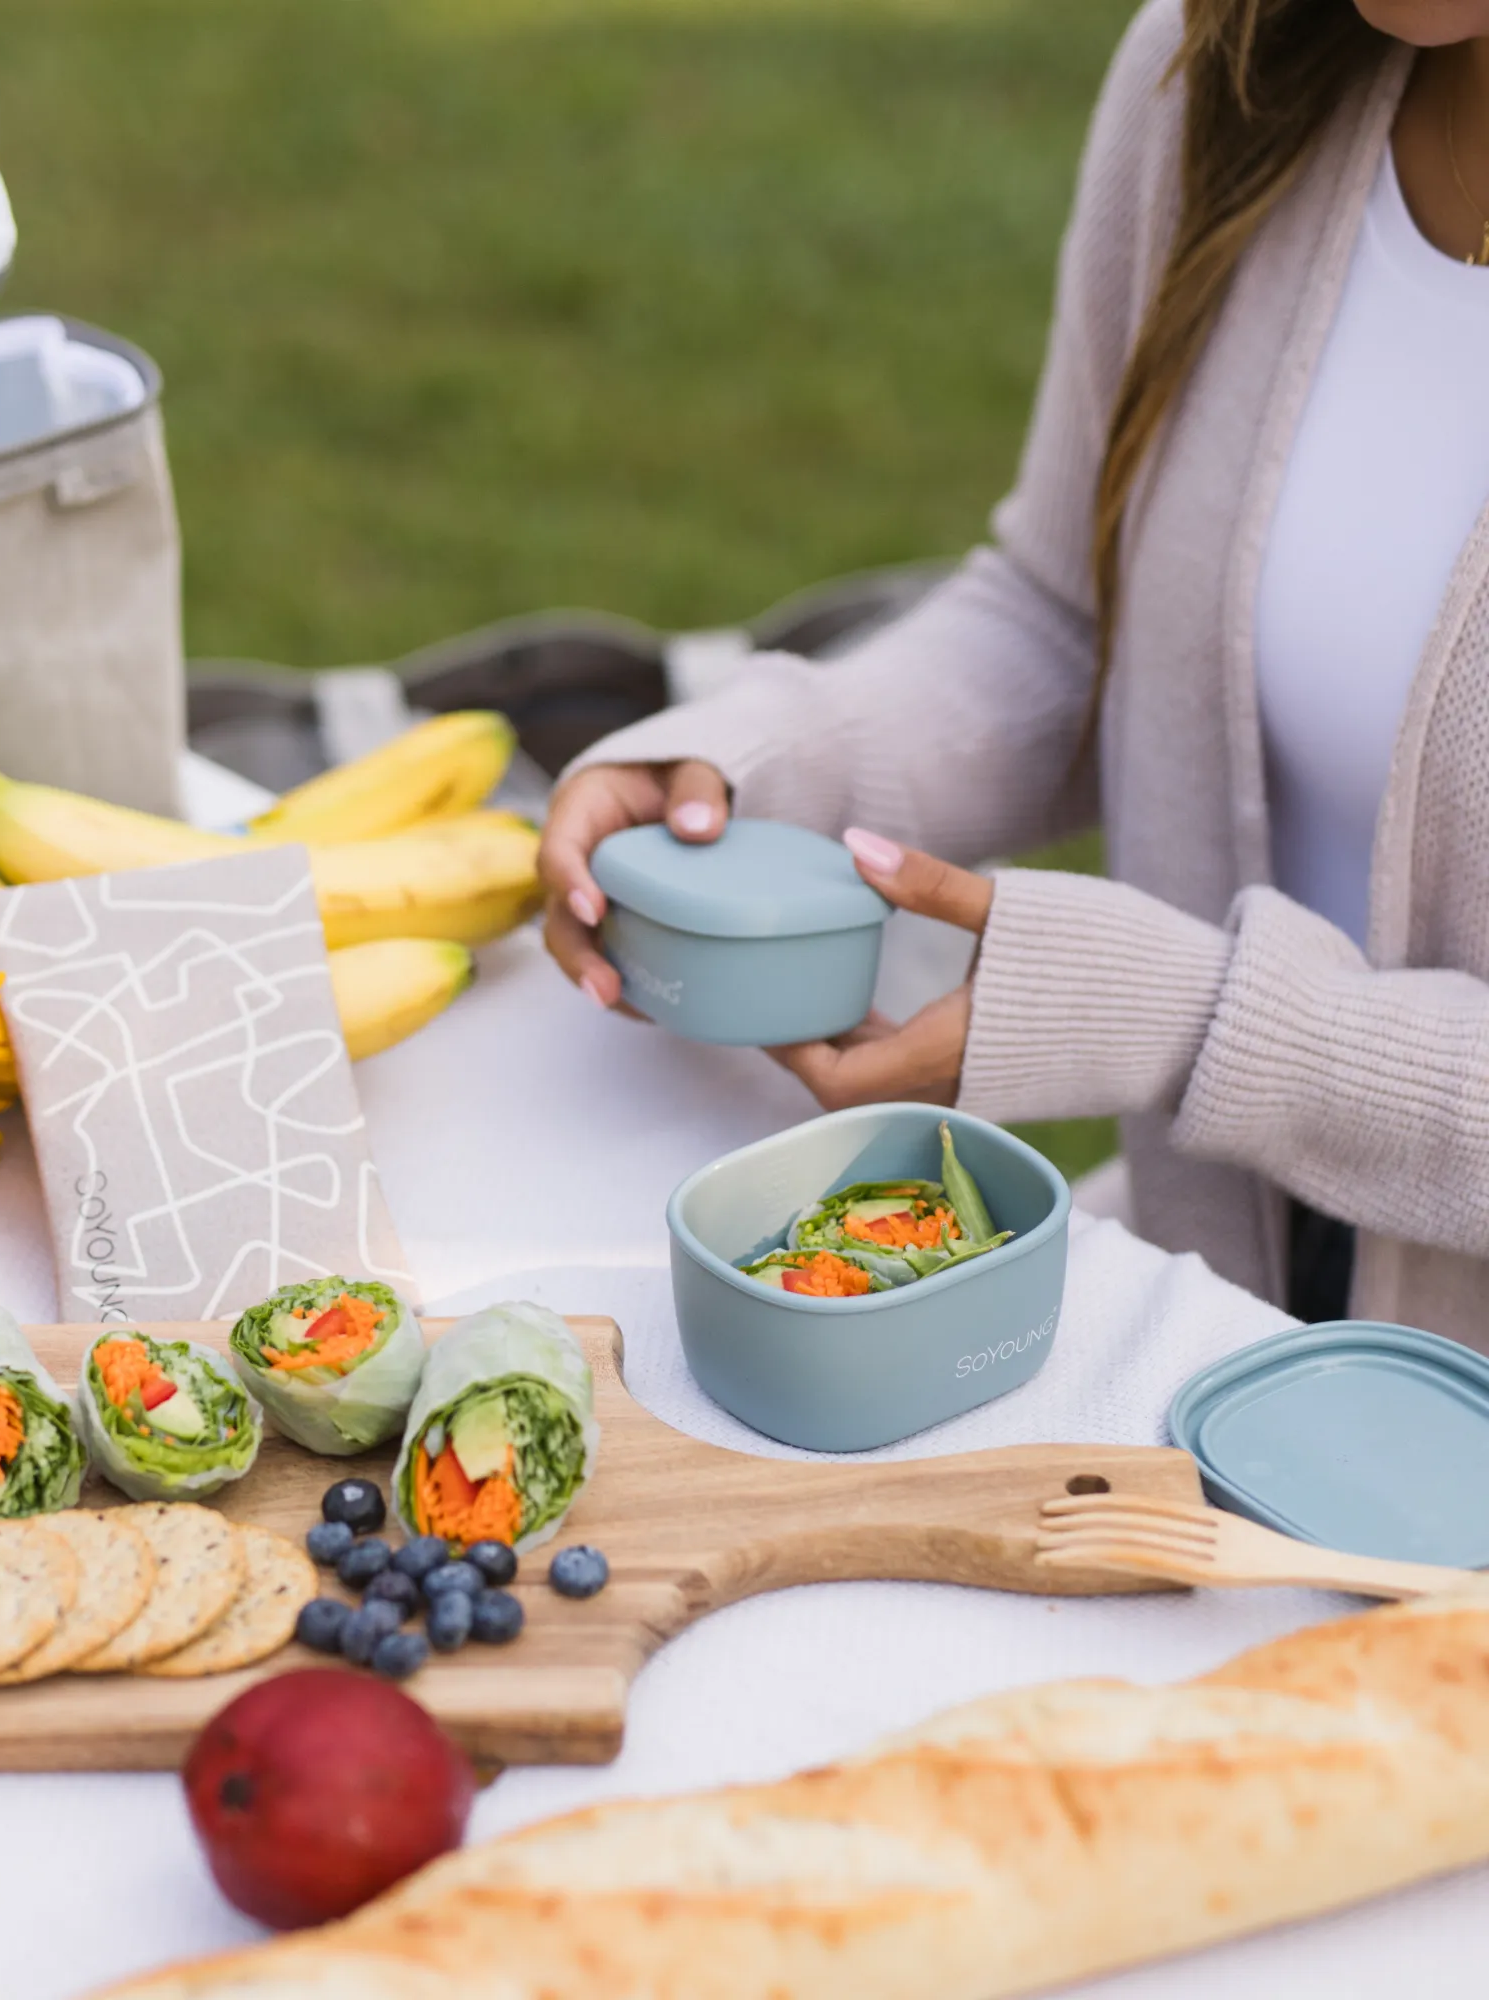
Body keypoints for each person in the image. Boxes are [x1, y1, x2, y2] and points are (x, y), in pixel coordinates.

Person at [539, 0, 1489, 1348]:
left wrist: (1179, 1020)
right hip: (1217, 1325)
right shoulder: (1229, 62)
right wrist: (753, 767)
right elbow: (1073, 619)